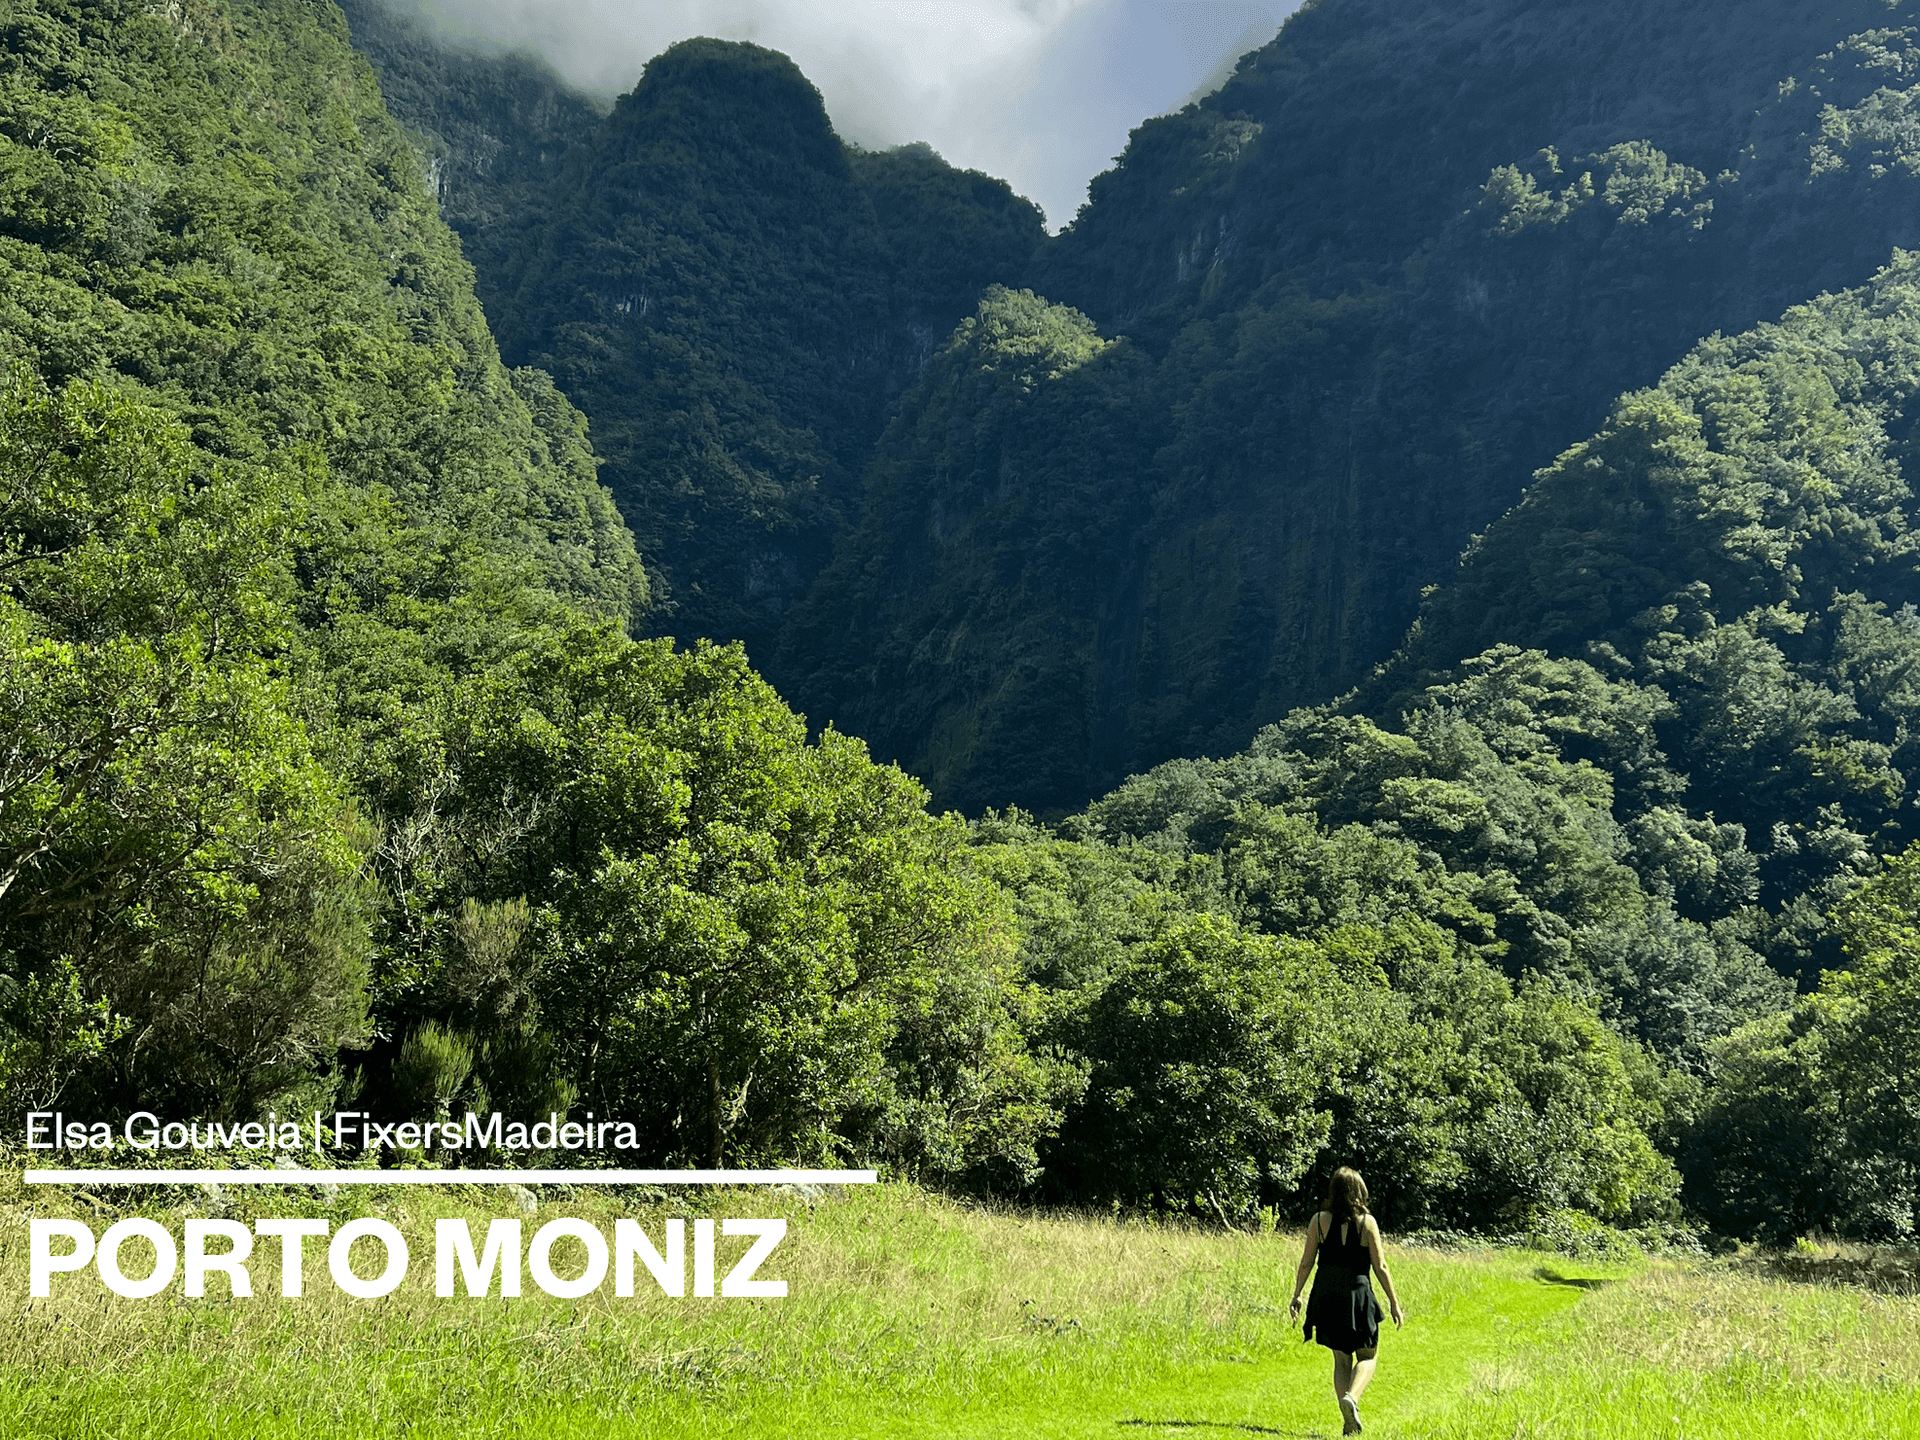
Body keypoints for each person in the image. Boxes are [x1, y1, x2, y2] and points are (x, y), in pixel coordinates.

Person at [1287, 1167, 1405, 1436]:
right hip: (1358, 1294)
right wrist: (1394, 1302)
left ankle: (1347, 1421)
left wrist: (1297, 1294)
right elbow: (1381, 1266)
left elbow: (1307, 1262)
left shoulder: (1318, 1221)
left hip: (1326, 1294)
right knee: (1368, 1355)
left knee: (1341, 1360)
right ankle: (1351, 1398)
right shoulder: (1367, 1223)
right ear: (1358, 1191)